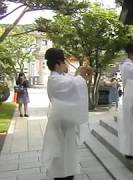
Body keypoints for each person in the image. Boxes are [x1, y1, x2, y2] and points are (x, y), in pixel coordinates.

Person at [42, 48, 91, 180]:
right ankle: (62, 175)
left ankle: (68, 173)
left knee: (67, 151)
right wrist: (80, 75)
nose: (65, 65)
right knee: (61, 152)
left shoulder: (60, 78)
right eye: (64, 62)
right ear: (58, 63)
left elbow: (72, 83)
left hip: (65, 122)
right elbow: (73, 84)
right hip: (61, 123)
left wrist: (79, 75)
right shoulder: (55, 79)